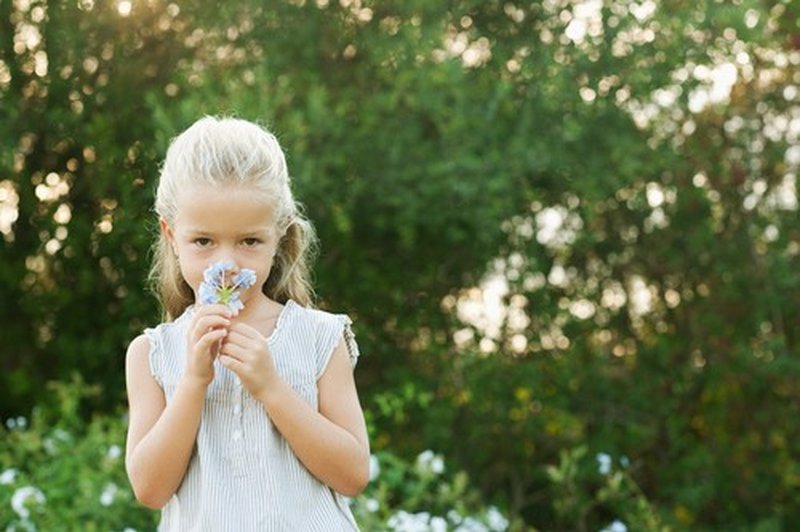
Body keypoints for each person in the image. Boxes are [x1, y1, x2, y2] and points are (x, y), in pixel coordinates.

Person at [124, 116, 370, 531]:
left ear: (277, 237)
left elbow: (353, 474)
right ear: (171, 235)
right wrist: (193, 382)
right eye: (203, 241)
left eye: (249, 242)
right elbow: (149, 489)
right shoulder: (152, 354)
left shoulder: (320, 339)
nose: (225, 263)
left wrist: (271, 388)